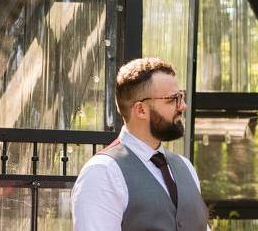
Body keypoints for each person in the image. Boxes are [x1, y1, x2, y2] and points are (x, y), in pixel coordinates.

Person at [72, 57, 209, 231]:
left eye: (181, 97)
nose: (183, 106)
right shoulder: (102, 172)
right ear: (141, 110)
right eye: (172, 99)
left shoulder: (186, 167)